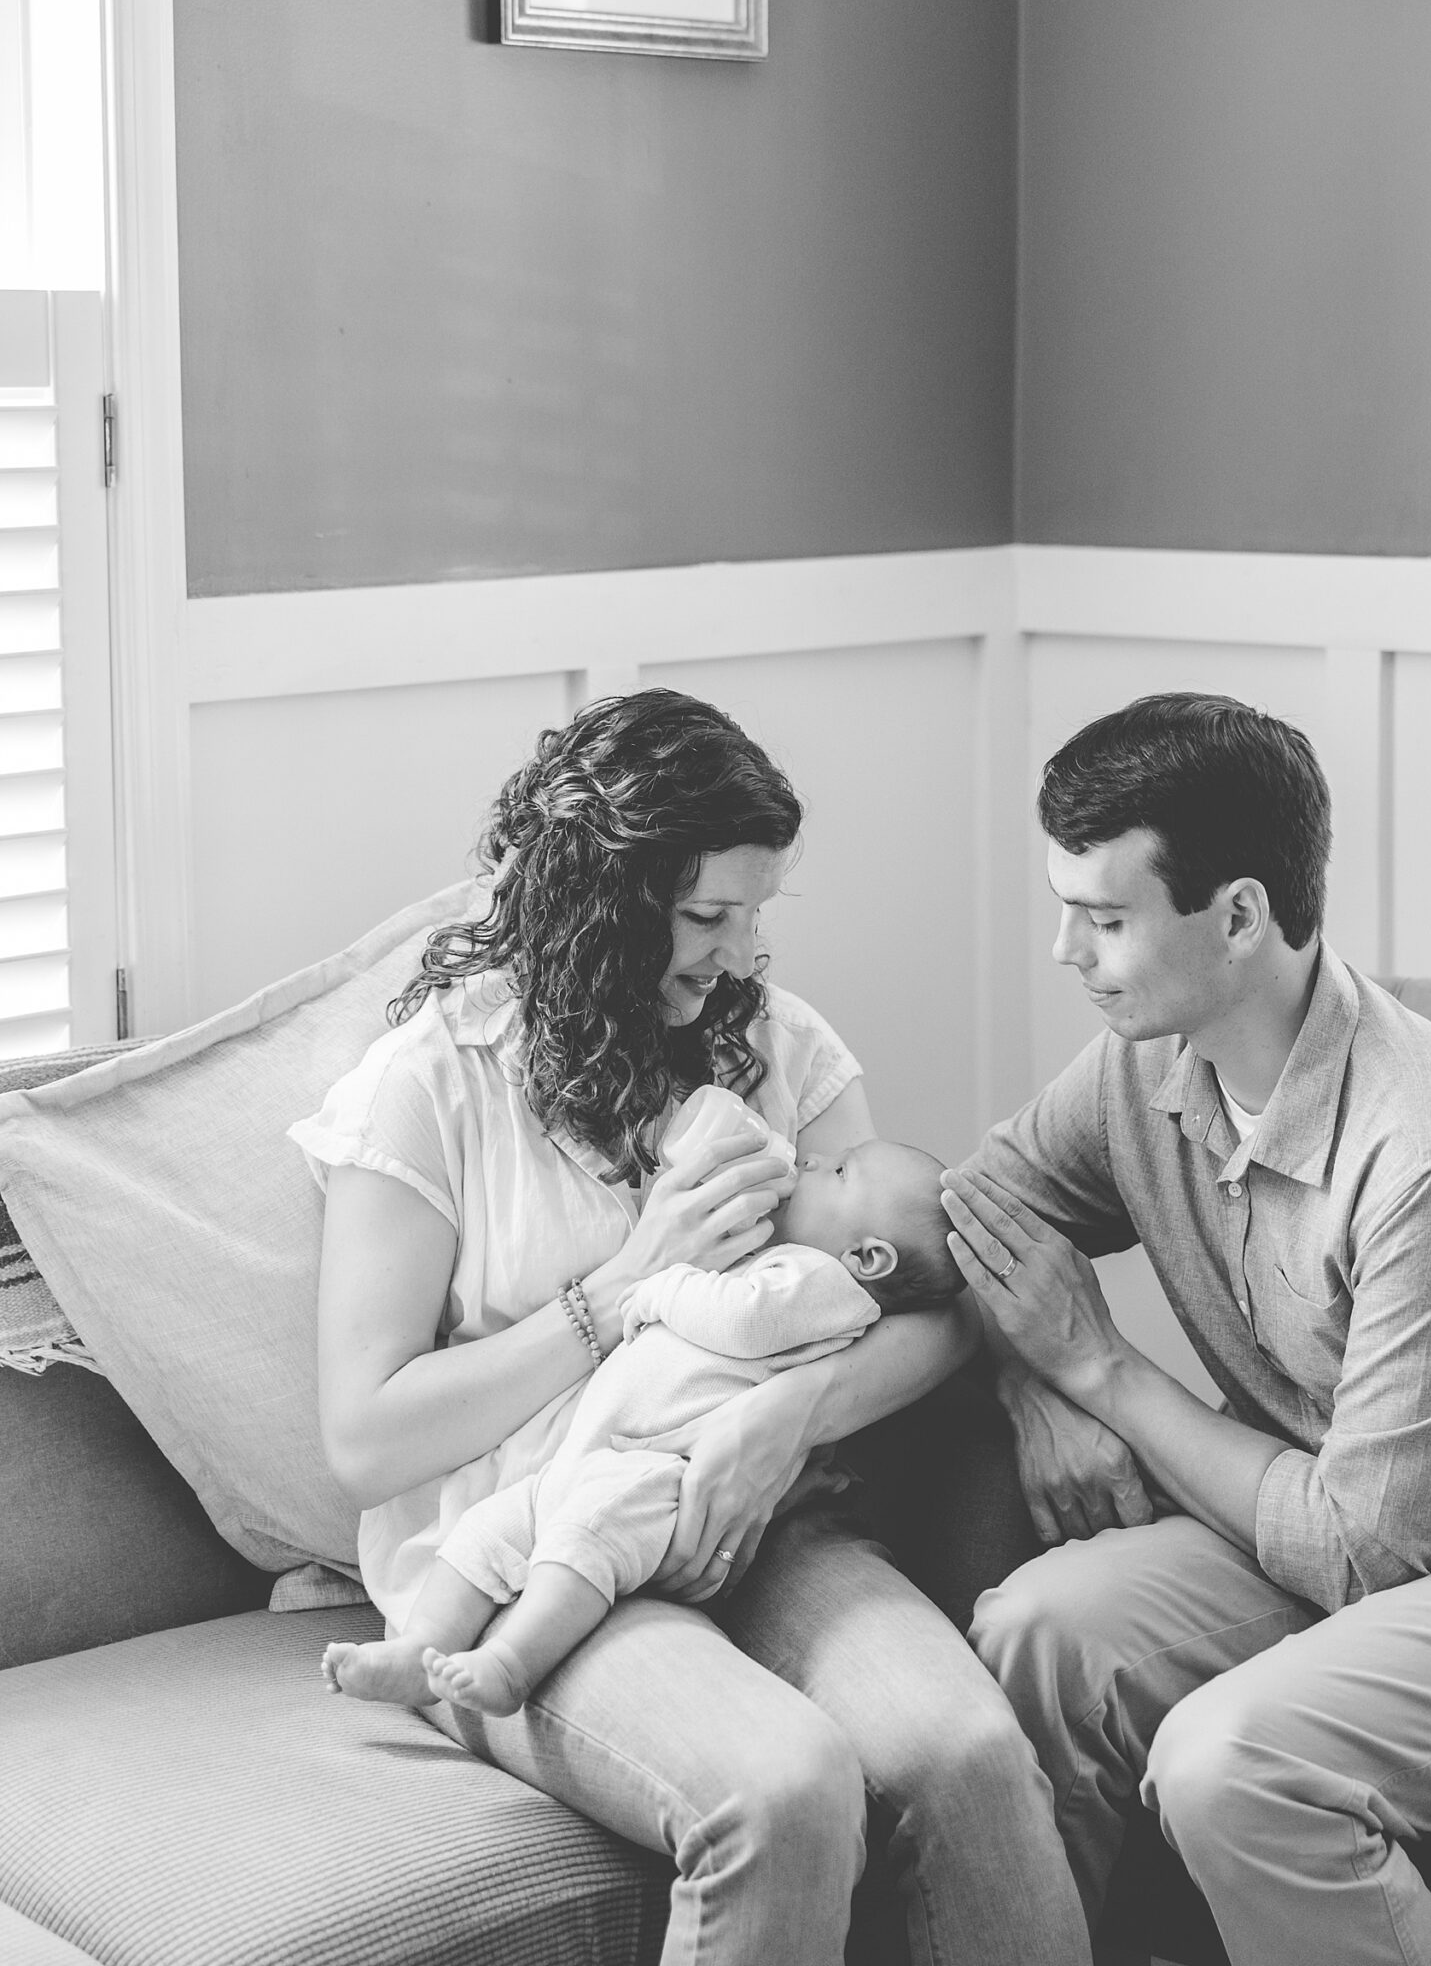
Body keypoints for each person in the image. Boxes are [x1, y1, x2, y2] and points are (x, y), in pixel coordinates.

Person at [290, 689, 1088, 1966]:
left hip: (754, 1518)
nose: (736, 952)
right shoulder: (433, 1087)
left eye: (755, 913)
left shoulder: (774, 1044)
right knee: (781, 1788)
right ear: (601, 907)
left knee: (972, 1752)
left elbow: (931, 1305)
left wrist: (787, 1417)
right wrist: (620, 1289)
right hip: (526, 1557)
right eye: (707, 915)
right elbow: (367, 1437)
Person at [941, 691, 1431, 1966]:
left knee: (1231, 1761)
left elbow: (1364, 1552)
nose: (1067, 951)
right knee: (1036, 1634)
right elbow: (975, 1208)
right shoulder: (1148, 1061)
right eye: (1067, 908)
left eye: (1107, 918)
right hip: (1326, 1511)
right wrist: (1035, 1393)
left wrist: (1104, 1371)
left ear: (1238, 915)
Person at [321, 1093, 959, 1718]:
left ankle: (513, 1663)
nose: (814, 1162)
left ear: (868, 1257)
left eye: (841, 1170)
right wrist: (632, 1273)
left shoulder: (821, 1283)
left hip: (656, 1470)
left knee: (582, 1540)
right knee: (486, 1531)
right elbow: (362, 1446)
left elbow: (744, 1322)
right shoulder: (423, 1086)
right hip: (588, 1455)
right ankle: (419, 1649)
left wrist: (664, 1285)